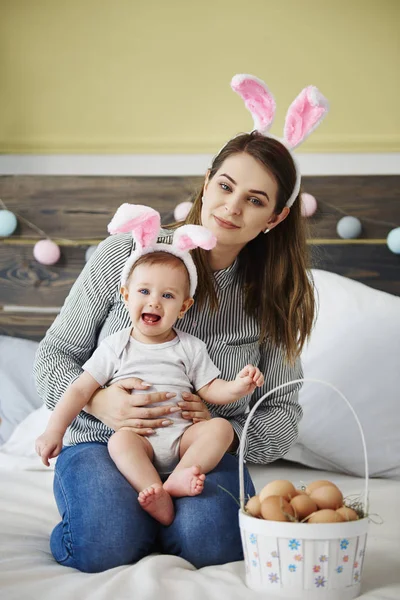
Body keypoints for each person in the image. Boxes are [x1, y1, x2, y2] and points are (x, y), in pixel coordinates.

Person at [34, 73, 328, 572]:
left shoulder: (272, 298)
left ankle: (160, 517)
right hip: (105, 440)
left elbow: (281, 423)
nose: (231, 207)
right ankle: (128, 520)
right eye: (225, 186)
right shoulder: (131, 253)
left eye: (255, 200)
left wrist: (216, 425)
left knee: (212, 541)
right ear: (206, 183)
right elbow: (54, 355)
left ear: (275, 219)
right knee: (104, 542)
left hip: (200, 455)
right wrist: (102, 402)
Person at [35, 206, 264, 526]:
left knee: (222, 429)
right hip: (137, 438)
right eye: (144, 291)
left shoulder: (190, 346)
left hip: (183, 440)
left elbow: (212, 389)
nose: (154, 301)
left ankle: (179, 479)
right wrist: (53, 430)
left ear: (184, 307)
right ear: (126, 296)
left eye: (168, 296)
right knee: (120, 443)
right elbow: (79, 389)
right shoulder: (116, 345)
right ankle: (152, 490)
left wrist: (239, 386)